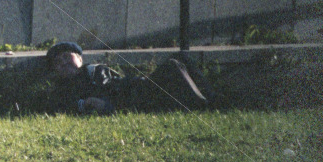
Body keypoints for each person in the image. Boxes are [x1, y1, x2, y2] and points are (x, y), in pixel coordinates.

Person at [41, 41, 212, 115]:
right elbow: (66, 105)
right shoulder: (64, 88)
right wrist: (90, 103)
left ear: (80, 59)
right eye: (57, 62)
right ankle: (205, 103)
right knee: (173, 66)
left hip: (138, 88)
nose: (63, 62)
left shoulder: (93, 69)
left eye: (66, 56)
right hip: (133, 99)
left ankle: (211, 96)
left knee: (182, 57)